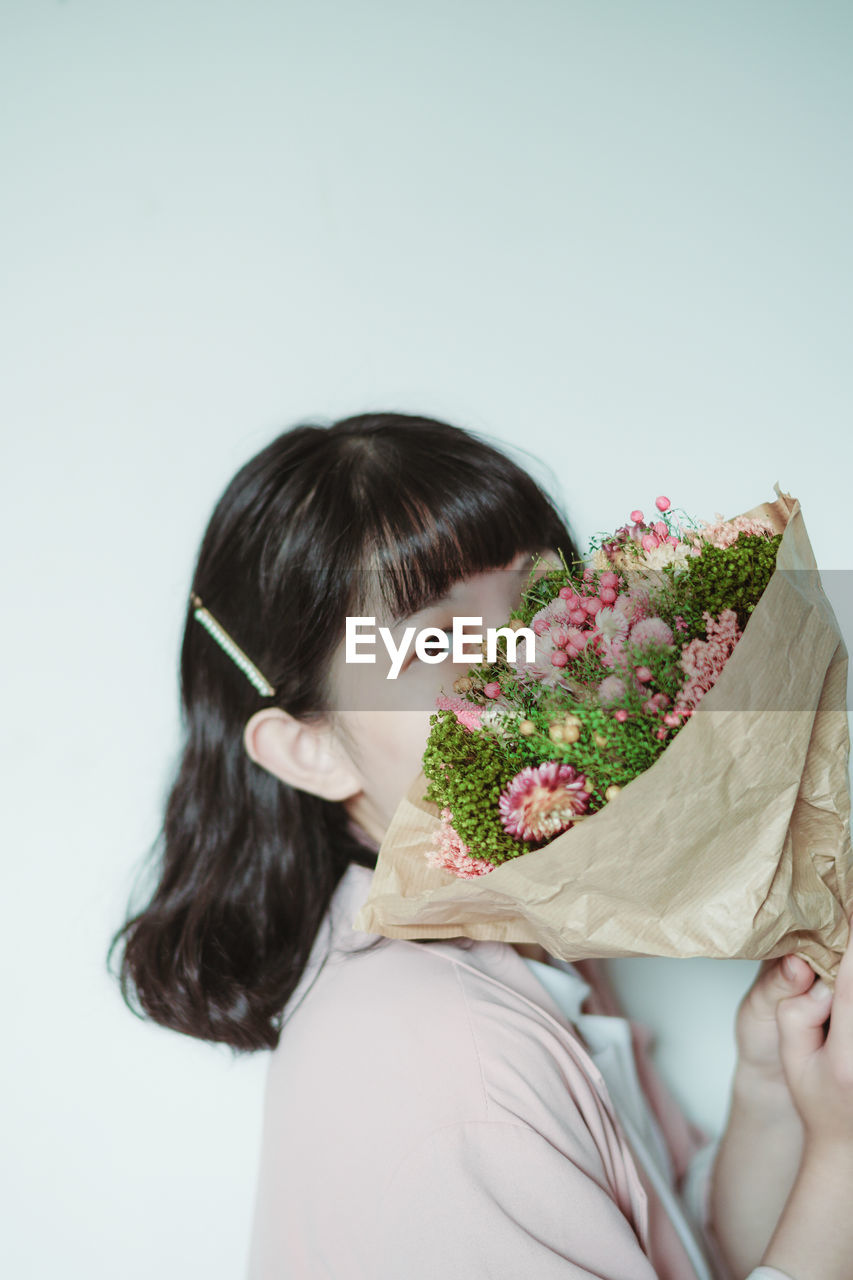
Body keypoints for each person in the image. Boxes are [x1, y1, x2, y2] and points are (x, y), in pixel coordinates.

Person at [108, 411, 853, 1280]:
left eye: (544, 596)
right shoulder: (443, 1057)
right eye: (439, 638)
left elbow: (680, 1250)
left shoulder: (523, 939)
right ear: (310, 749)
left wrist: (769, 1091)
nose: (535, 659)